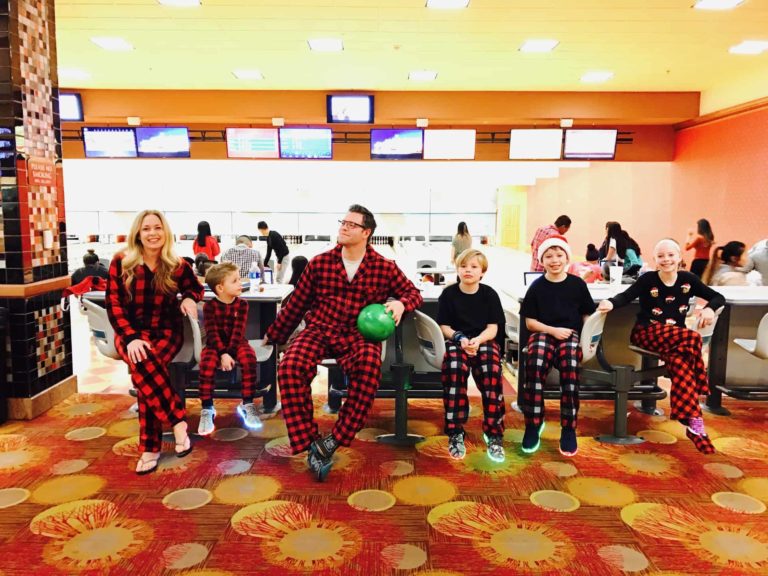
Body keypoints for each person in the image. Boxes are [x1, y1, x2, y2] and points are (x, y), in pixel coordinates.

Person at [263, 204, 422, 481]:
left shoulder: (384, 267)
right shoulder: (320, 263)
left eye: (351, 224)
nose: (343, 227)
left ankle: (334, 439)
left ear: (366, 232)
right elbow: (297, 304)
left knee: (369, 368)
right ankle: (312, 442)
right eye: (343, 222)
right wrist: (274, 335)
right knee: (289, 367)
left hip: (358, 335)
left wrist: (401, 303)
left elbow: (412, 292)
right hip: (321, 329)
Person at [597, 239, 725, 454]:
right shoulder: (648, 279)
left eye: (671, 255)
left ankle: (693, 422)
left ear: (679, 258)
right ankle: (701, 383)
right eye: (661, 256)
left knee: (680, 363)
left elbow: (718, 297)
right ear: (655, 260)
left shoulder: (688, 279)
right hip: (647, 333)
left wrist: (710, 309)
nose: (666, 260)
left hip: (676, 340)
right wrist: (611, 302)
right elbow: (626, 296)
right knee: (692, 338)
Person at [106, 209, 204, 475]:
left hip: (167, 331)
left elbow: (196, 288)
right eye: (147, 228)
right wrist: (131, 337)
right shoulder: (122, 262)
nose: (152, 233)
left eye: (157, 228)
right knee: (145, 363)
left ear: (166, 231)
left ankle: (150, 448)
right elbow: (113, 305)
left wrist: (189, 297)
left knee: (145, 370)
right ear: (138, 232)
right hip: (131, 333)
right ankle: (178, 422)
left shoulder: (177, 264)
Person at [520, 236, 595, 457]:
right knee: (534, 363)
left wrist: (585, 340)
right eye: (549, 256)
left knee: (570, 366)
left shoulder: (577, 284)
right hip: (543, 333)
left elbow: (586, 315)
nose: (555, 260)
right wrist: (553, 330)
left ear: (567, 258)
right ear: (541, 260)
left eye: (559, 255)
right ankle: (533, 423)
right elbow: (530, 322)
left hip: (570, 336)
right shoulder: (537, 287)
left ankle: (568, 427)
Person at [437, 249, 506, 462]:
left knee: (491, 371)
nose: (468, 270)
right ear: (457, 269)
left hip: (483, 341)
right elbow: (444, 326)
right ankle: (455, 430)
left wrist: (478, 340)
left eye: (474, 267)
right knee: (455, 369)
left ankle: (494, 433)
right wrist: (460, 338)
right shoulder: (448, 294)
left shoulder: (489, 294)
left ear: (482, 272)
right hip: (457, 341)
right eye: (464, 266)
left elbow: (493, 328)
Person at [197, 263, 263, 436]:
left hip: (237, 343)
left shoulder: (242, 304)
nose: (240, 283)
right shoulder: (209, 306)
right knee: (206, 364)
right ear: (220, 287)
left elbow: (238, 332)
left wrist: (229, 353)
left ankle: (247, 403)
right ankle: (207, 408)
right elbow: (212, 333)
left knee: (249, 359)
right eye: (235, 281)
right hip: (215, 344)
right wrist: (222, 353)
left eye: (239, 279)